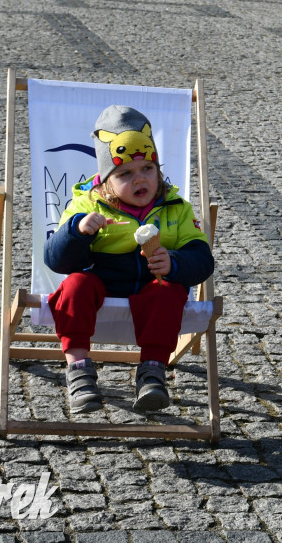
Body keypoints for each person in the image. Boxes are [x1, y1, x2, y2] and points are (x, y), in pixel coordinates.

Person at [45, 105, 214, 415]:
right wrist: (79, 230)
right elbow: (55, 259)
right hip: (101, 286)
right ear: (106, 180)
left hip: (150, 291)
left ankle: (152, 373)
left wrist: (174, 263)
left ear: (158, 169)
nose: (140, 180)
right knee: (73, 286)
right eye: (125, 173)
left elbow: (202, 261)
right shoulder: (87, 204)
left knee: (169, 290)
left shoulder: (176, 207)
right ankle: (80, 372)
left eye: (147, 169)